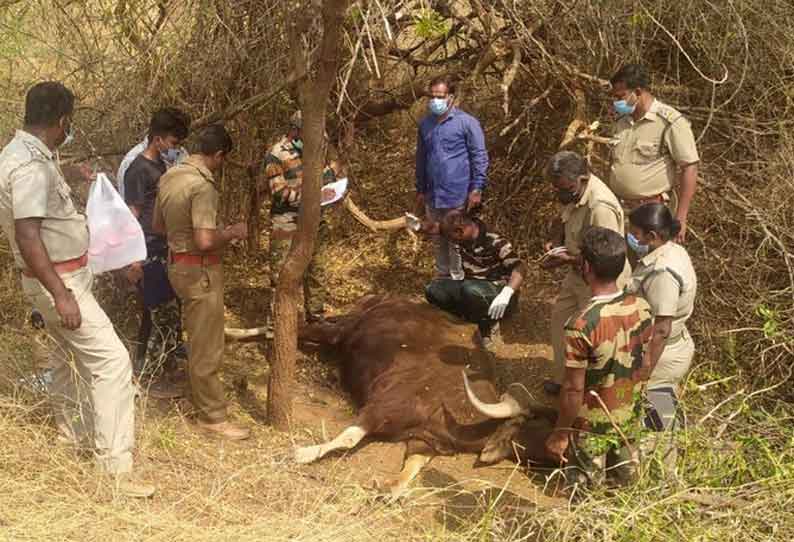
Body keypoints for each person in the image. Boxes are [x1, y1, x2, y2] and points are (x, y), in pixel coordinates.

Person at [0, 82, 153, 497]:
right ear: (62, 120)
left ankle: (76, 441)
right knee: (114, 364)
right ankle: (115, 471)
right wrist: (62, 295)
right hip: (60, 283)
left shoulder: (27, 155)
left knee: (67, 364)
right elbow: (28, 234)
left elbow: (37, 201)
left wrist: (68, 174)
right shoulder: (29, 165)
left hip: (56, 280)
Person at [153, 124, 250, 440]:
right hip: (200, 272)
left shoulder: (170, 176)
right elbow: (206, 240)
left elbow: (157, 225)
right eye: (223, 160)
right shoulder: (203, 187)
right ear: (218, 155)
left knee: (195, 338)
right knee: (207, 345)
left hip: (177, 267)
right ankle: (212, 417)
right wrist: (232, 232)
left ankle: (197, 397)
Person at [544, 227, 653, 489]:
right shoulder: (642, 307)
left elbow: (573, 389)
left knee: (584, 499)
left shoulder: (581, 324)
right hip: (629, 419)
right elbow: (645, 364)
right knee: (626, 494)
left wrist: (560, 433)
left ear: (587, 267)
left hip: (590, 430)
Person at [541, 151, 631, 396]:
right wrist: (555, 239)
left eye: (565, 189)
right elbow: (566, 216)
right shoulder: (575, 191)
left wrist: (564, 260)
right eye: (556, 188)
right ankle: (564, 382)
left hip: (599, 281)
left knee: (592, 336)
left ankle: (587, 392)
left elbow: (607, 258)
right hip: (578, 273)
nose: (560, 194)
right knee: (561, 323)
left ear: (582, 178)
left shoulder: (601, 206)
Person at [123, 108, 190, 395]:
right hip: (147, 252)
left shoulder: (159, 165)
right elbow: (131, 215)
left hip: (163, 250)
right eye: (174, 143)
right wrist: (133, 259)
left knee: (164, 315)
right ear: (159, 138)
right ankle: (148, 379)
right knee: (161, 316)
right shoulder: (139, 169)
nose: (176, 148)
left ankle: (160, 370)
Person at [261, 110, 342, 324]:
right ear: (295, 130)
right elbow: (279, 193)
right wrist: (312, 195)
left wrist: (331, 181)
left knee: (318, 268)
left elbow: (321, 176)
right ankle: (279, 325)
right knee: (282, 276)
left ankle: (315, 316)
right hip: (286, 223)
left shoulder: (314, 150)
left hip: (316, 218)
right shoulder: (276, 154)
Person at [608, 64, 699, 243]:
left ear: (638, 92)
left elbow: (690, 167)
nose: (616, 102)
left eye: (621, 97)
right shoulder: (621, 122)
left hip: (653, 218)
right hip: (621, 213)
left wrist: (681, 217)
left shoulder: (669, 122)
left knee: (652, 266)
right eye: (614, 97)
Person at [627, 203, 697, 432]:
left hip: (661, 356)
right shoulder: (672, 249)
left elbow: (661, 329)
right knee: (660, 415)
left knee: (658, 428)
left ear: (652, 235)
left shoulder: (662, 273)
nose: (631, 238)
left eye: (636, 234)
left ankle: (663, 465)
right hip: (668, 348)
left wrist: (645, 369)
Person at [415, 75, 489, 281]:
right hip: (433, 195)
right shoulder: (425, 125)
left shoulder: (467, 123)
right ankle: (443, 279)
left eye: (440, 96)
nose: (435, 100)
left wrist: (477, 188)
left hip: (458, 195)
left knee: (457, 238)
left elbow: (479, 156)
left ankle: (459, 281)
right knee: (436, 237)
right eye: (432, 96)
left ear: (451, 97)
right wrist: (420, 189)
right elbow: (421, 157)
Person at [424, 211, 523, 349]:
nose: (452, 241)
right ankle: (469, 319)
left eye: (452, 238)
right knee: (433, 289)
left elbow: (520, 269)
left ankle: (486, 327)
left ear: (460, 231)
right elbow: (437, 228)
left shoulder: (494, 240)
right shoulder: (459, 232)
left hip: (497, 293)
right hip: (470, 286)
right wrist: (419, 225)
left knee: (471, 291)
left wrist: (506, 294)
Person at [117, 123, 189, 198]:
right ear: (158, 139)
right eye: (174, 143)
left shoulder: (180, 153)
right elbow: (129, 205)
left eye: (180, 144)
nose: (178, 149)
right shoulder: (132, 162)